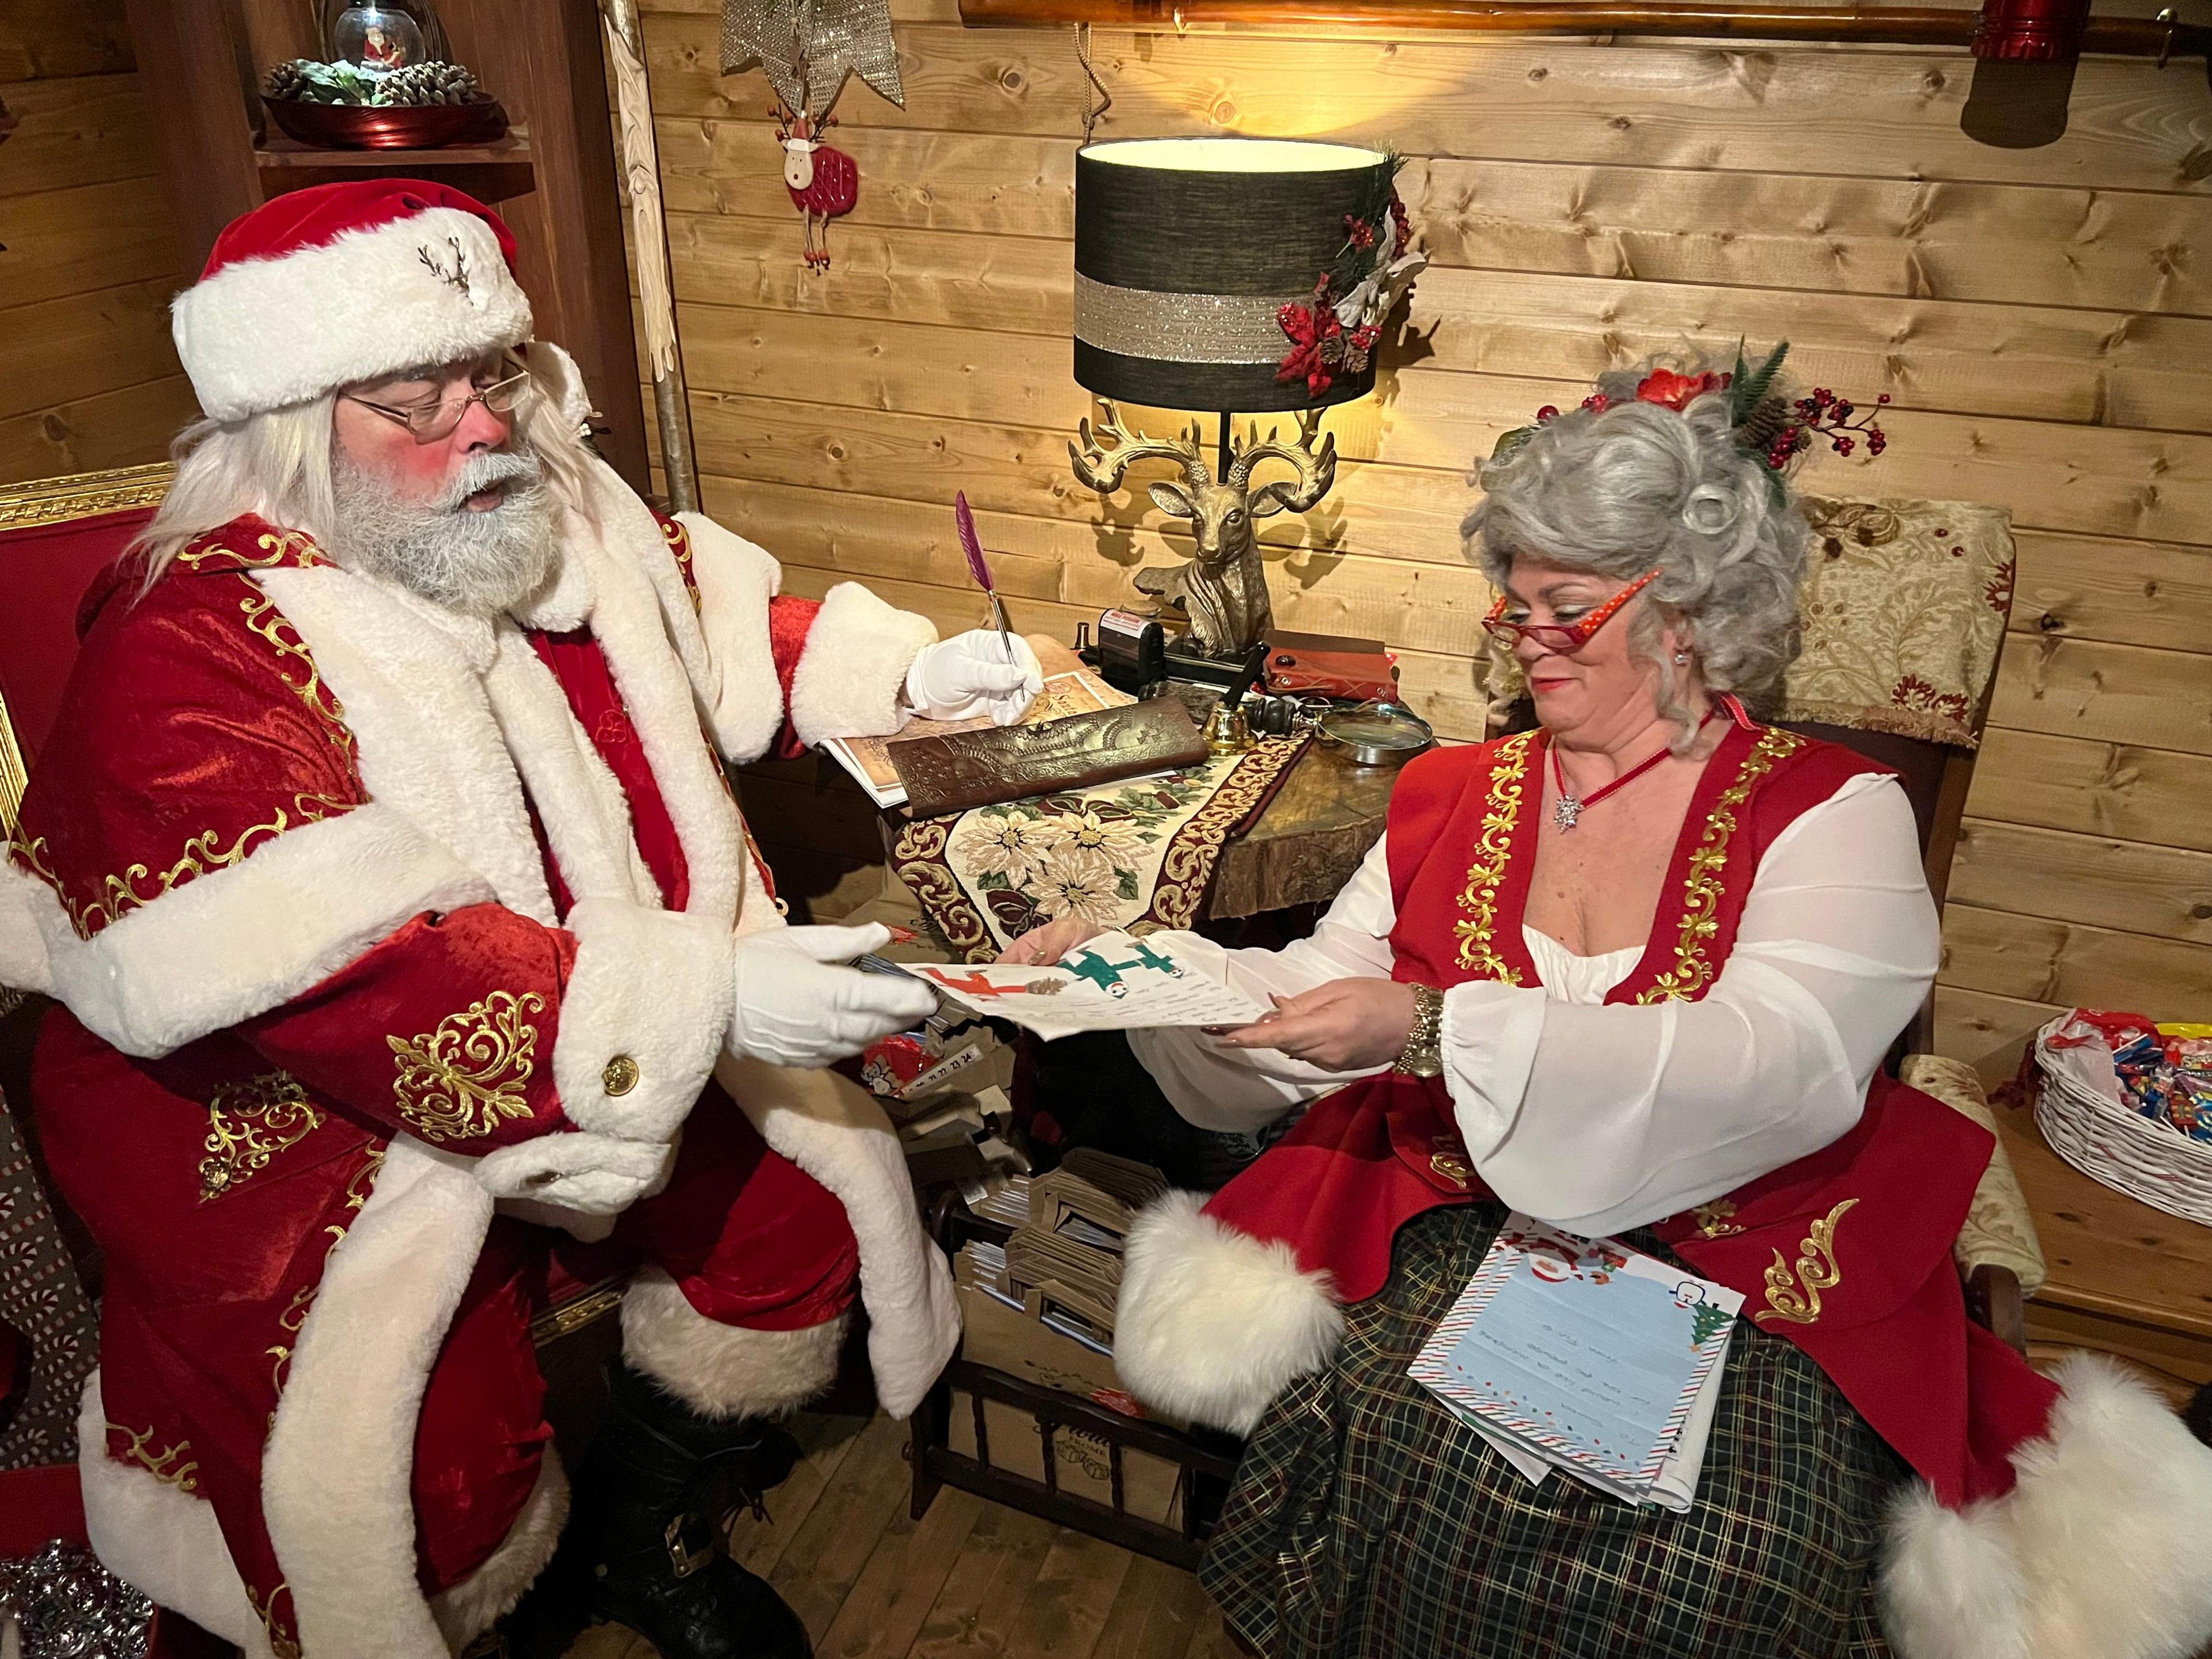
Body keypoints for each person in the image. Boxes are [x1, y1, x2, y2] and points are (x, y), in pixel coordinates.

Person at [1001, 353, 2212, 1659]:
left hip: (1747, 1256)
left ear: (1687, 613)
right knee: (1427, 1479)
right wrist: (1154, 973)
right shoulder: (1451, 789)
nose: (1522, 640)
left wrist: (1426, 1027)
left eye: (1563, 610)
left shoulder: (1834, 814)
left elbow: (1782, 1064)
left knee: (1728, 1560)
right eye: (1510, 606)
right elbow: (1328, 982)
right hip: (1478, 1217)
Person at [0, 180, 1044, 1659]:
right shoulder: (196, 638)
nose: (479, 427)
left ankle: (644, 1530)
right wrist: (714, 1005)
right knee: (430, 1471)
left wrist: (907, 682)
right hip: (284, 1111)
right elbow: (342, 973)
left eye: (488, 378)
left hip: (607, 1006)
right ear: (294, 429)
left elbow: (700, 622)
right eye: (411, 405)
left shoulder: (537, 499)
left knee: (801, 1219)